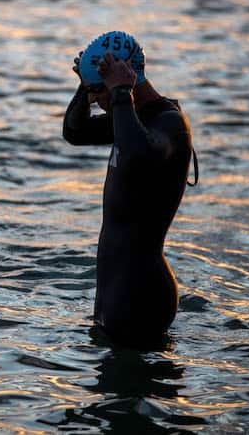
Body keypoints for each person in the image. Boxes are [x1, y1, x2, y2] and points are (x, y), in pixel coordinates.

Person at [62, 31, 196, 347]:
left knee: (134, 392)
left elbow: (137, 154)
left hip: (142, 293)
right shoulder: (132, 118)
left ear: (125, 81)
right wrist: (85, 86)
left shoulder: (169, 124)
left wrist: (121, 92)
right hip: (116, 290)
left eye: (98, 94)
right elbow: (74, 131)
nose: (97, 103)